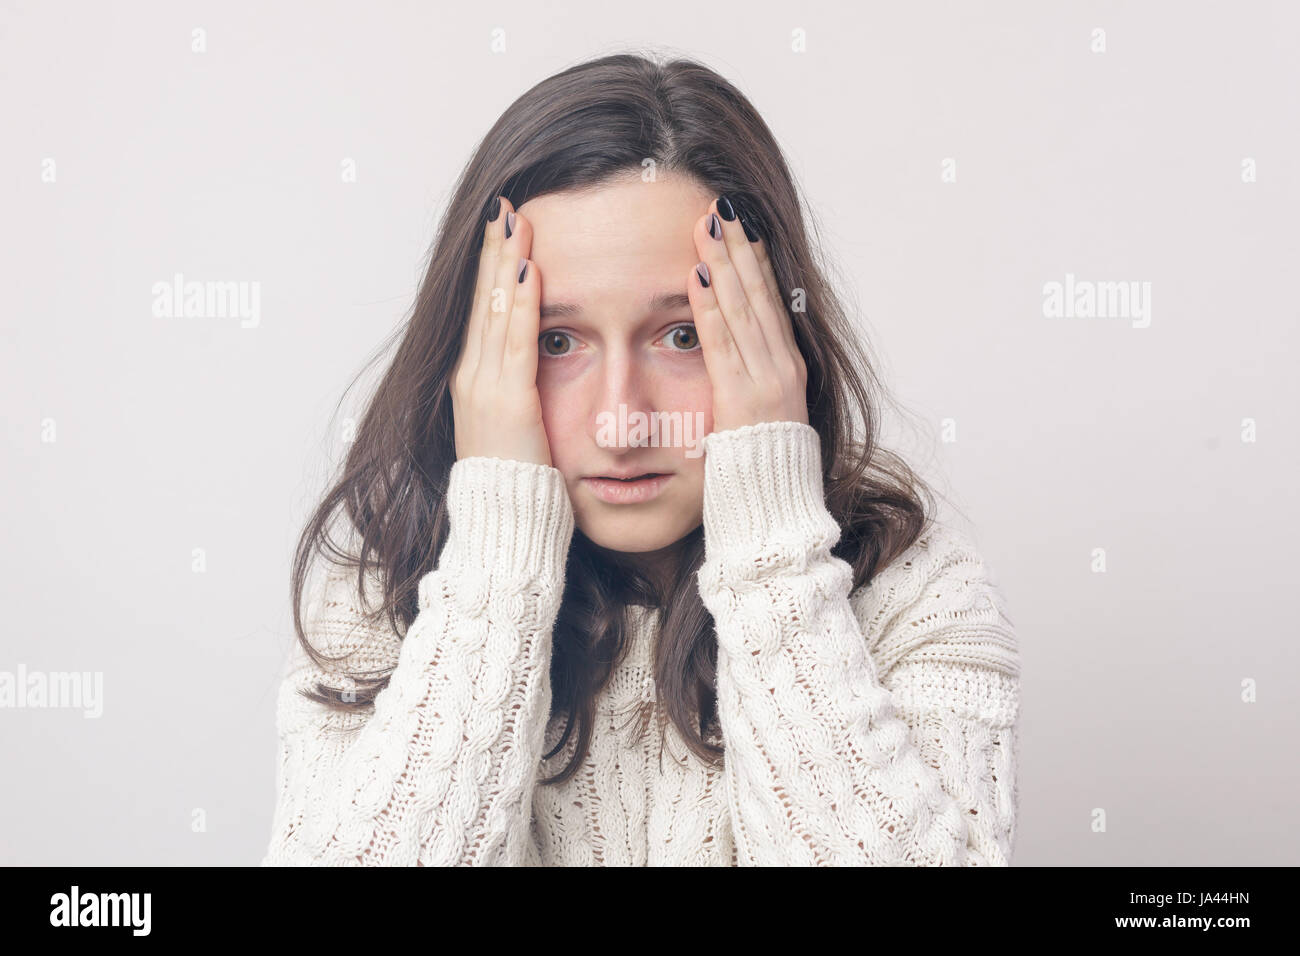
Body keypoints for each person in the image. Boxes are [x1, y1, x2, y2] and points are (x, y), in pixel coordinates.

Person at [260, 52, 1021, 866]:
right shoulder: (383, 599)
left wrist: (770, 535)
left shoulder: (916, 593)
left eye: (682, 334)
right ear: (478, 353)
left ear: (774, 333)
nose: (623, 423)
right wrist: (496, 564)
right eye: (555, 341)